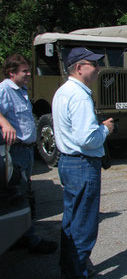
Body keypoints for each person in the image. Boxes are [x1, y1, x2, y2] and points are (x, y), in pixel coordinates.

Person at [52, 47, 114, 278]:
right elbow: (87, 138)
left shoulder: (63, 91)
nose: (98, 69)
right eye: (94, 64)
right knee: (83, 226)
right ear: (79, 68)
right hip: (82, 164)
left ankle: (69, 270)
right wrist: (105, 129)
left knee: (71, 222)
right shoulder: (78, 95)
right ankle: (77, 273)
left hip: (69, 163)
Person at [0, 53, 58, 254]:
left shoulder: (21, 90)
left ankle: (20, 236)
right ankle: (30, 239)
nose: (28, 74)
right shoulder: (5, 89)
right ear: (11, 72)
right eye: (24, 71)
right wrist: (4, 122)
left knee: (25, 194)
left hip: (26, 151)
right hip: (15, 151)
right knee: (20, 195)